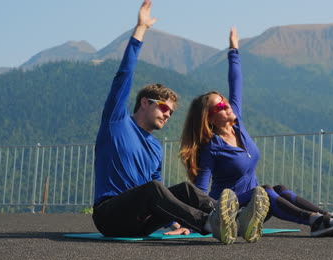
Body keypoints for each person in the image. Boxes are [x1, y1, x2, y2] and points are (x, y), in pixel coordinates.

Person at [92, 0, 268, 245]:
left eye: (171, 112)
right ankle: (209, 223)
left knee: (185, 190)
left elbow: (162, 198)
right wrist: (140, 30)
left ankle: (236, 219)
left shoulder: (155, 148)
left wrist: (177, 221)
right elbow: (123, 76)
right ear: (144, 102)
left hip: (140, 221)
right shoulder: (116, 125)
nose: (167, 115)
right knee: (153, 187)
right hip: (110, 216)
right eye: (164, 107)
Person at [180, 27, 333, 237]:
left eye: (225, 101)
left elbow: (236, 82)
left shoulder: (237, 123)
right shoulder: (210, 148)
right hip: (232, 211)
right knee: (263, 190)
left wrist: (233, 50)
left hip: (257, 207)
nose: (226, 106)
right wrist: (189, 221)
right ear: (209, 118)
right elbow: (200, 192)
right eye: (219, 107)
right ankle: (314, 222)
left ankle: (328, 217)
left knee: (279, 188)